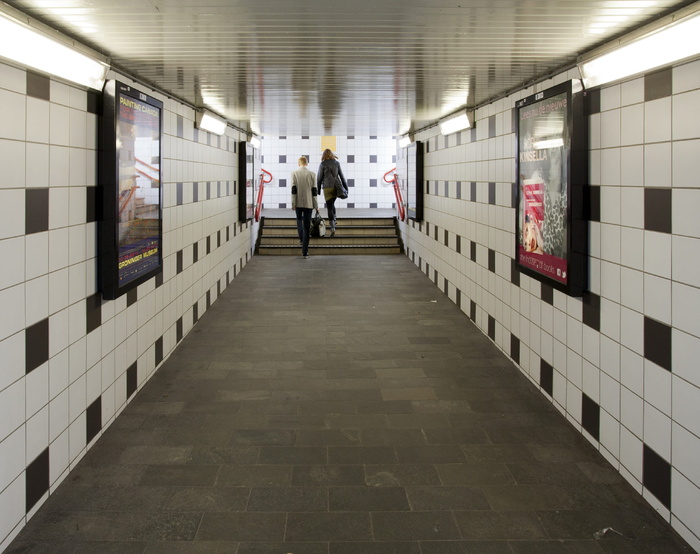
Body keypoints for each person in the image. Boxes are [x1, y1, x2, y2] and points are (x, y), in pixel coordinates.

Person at [291, 156, 318, 259]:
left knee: (299, 219)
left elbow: (293, 189)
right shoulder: (312, 174)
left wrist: (293, 203)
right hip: (309, 203)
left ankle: (301, 238)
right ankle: (305, 252)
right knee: (306, 226)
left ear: (299, 164)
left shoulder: (294, 173)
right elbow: (314, 191)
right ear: (307, 163)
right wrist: (316, 205)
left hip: (298, 203)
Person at [317, 148, 348, 236]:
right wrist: (345, 187)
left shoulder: (322, 164)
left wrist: (318, 189)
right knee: (332, 204)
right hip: (335, 186)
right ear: (331, 154)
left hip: (327, 188)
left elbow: (319, 178)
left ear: (324, 155)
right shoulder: (336, 163)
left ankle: (332, 226)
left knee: (329, 206)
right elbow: (342, 176)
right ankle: (334, 219)